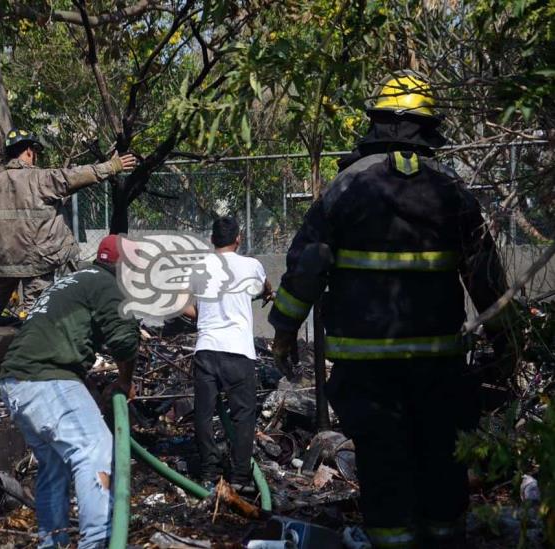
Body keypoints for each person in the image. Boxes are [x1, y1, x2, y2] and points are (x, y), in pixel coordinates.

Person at [269, 71, 515, 548]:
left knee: (384, 468)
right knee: (441, 464)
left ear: (376, 123)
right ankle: (444, 540)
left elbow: (307, 266)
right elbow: (487, 277)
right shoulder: (451, 191)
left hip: (366, 368)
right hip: (437, 364)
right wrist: (507, 342)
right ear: (427, 128)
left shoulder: (346, 187)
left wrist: (283, 331)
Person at [0, 234, 139, 549]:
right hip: (43, 379)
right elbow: (125, 340)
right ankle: (101, 541)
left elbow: (63, 342)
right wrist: (125, 382)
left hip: (15, 382)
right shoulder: (108, 286)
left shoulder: (75, 281)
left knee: (55, 465)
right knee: (94, 448)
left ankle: (51, 542)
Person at [0, 128, 137, 326]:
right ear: (28, 151)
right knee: (37, 318)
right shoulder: (39, 179)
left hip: (2, 261)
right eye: (34, 152)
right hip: (35, 262)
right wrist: (112, 166)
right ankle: (33, 352)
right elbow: (75, 176)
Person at [183, 217, 272, 492]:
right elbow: (266, 288)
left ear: (212, 239)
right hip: (238, 352)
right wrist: (267, 294)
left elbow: (183, 307)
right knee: (243, 416)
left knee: (204, 413)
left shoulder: (200, 268)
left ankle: (209, 474)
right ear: (238, 239)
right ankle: (240, 477)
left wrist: (205, 318)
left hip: (207, 349)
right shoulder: (251, 265)